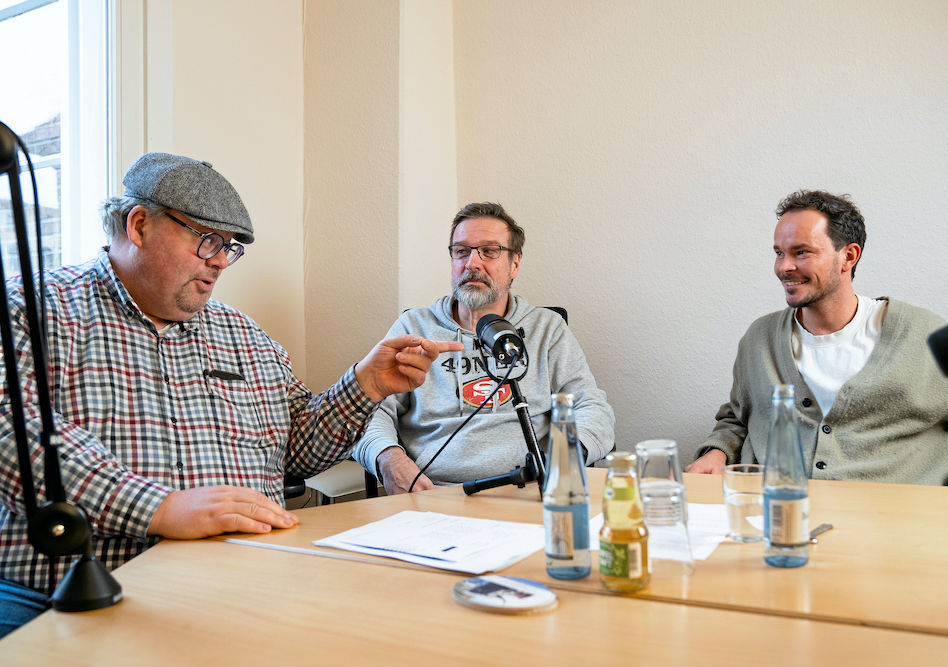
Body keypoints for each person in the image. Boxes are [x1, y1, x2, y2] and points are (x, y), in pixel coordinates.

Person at [0, 153, 462, 636]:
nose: (221, 260)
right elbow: (15, 433)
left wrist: (367, 384)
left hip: (244, 587)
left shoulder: (244, 335)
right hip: (72, 593)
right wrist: (161, 509)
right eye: (208, 241)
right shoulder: (35, 309)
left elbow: (296, 450)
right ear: (139, 225)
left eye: (230, 247)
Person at [686, 190, 948, 499]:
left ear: (848, 256)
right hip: (773, 522)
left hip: (896, 533)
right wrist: (718, 450)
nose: (784, 267)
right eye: (779, 253)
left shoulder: (922, 337)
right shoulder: (759, 339)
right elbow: (739, 417)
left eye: (802, 252)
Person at [353, 202, 615, 494]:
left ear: (515, 263)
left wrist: (565, 460)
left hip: (530, 491)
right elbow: (366, 411)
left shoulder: (547, 328)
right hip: (433, 494)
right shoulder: (414, 328)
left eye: (489, 251)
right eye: (461, 251)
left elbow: (591, 408)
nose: (472, 263)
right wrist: (390, 459)